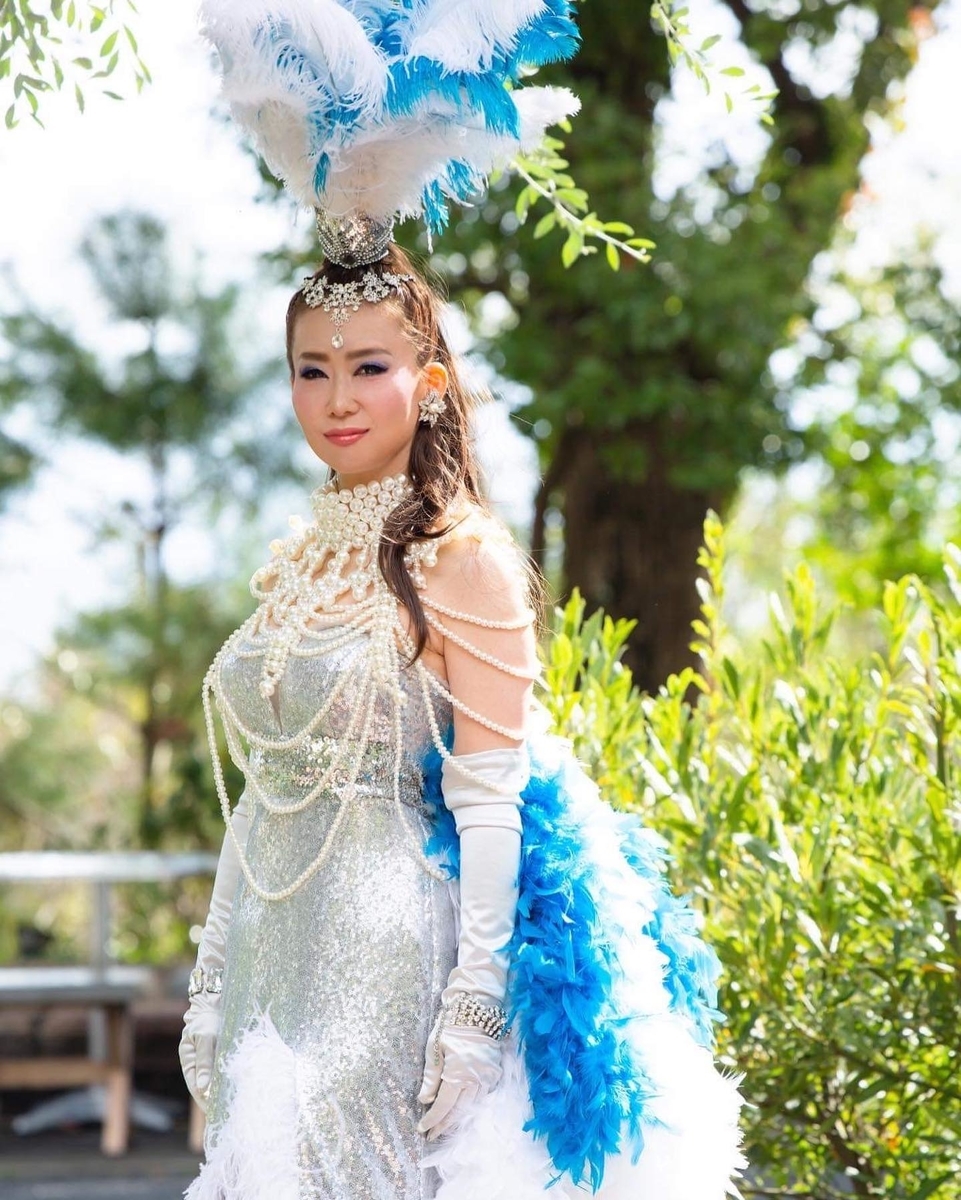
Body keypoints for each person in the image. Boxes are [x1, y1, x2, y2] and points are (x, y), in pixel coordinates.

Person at [179, 236, 744, 1200]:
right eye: (312, 371)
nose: (337, 399)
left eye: (369, 367)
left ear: (430, 383)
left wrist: (475, 1006)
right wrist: (210, 976)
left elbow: (490, 798)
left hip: (386, 953)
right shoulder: (298, 563)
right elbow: (269, 788)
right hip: (269, 957)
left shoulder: (463, 558)